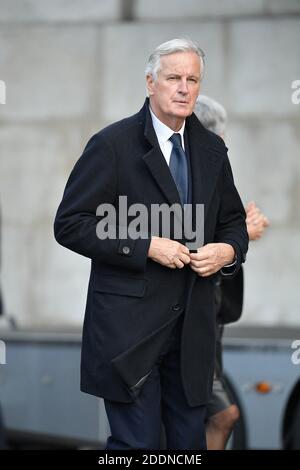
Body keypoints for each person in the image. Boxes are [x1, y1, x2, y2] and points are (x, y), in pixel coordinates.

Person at [54, 38, 248, 450]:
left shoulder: (213, 150)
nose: (184, 88)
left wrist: (227, 251)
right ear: (150, 83)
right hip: (130, 335)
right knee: (137, 448)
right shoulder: (112, 145)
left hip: (192, 334)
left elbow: (232, 222)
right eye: (173, 77)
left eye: (192, 79)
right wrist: (145, 245)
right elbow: (71, 223)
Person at [194, 95, 269, 450]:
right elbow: (196, 244)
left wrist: (241, 234)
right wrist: (243, 234)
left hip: (212, 321)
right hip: (194, 325)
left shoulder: (213, 174)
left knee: (206, 419)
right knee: (222, 415)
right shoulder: (187, 173)